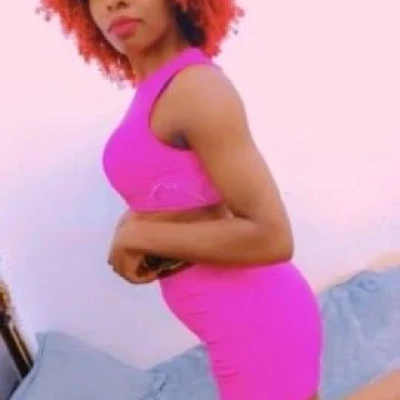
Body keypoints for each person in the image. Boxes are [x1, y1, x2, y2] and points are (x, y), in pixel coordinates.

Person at [39, 0, 322, 398]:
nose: (113, 3)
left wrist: (137, 236)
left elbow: (272, 236)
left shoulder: (196, 88)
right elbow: (184, 194)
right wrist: (134, 225)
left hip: (259, 326)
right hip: (239, 326)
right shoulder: (158, 91)